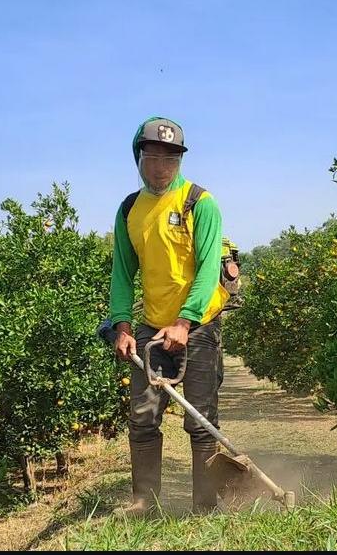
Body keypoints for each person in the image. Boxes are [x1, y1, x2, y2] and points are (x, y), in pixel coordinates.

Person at [107, 116, 230, 516]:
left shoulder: (200, 202)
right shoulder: (129, 209)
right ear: (138, 158)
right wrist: (122, 326)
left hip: (197, 326)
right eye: (153, 156)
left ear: (179, 161)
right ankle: (144, 503)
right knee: (142, 417)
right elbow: (123, 275)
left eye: (170, 157)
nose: (161, 165)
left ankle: (205, 508)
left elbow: (209, 268)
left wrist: (185, 321)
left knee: (201, 419)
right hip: (151, 328)